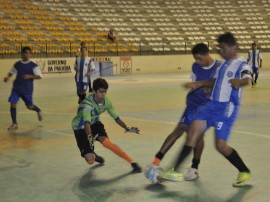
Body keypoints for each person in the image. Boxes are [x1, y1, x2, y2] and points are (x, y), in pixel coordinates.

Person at [159, 32, 252, 187]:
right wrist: (199, 84)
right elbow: (215, 81)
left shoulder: (242, 64)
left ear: (233, 47)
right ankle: (174, 170)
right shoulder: (223, 64)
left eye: (223, 48)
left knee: (220, 146)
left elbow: (247, 79)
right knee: (193, 132)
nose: (220, 51)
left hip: (226, 108)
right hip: (211, 105)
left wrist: (239, 82)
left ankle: (244, 171)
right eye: (219, 48)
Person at [146, 43, 221, 182]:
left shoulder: (219, 67)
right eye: (195, 59)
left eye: (199, 59)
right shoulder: (195, 66)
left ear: (206, 55)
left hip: (206, 108)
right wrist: (193, 87)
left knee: (196, 137)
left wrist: (202, 85)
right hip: (192, 105)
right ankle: (156, 161)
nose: (197, 62)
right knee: (179, 129)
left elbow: (218, 83)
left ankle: (193, 167)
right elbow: (195, 82)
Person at [71, 78, 142, 173]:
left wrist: (126, 127)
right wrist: (90, 136)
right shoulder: (87, 105)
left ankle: (133, 162)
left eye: (105, 92)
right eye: (101, 92)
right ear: (94, 91)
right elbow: (86, 123)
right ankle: (93, 155)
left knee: (108, 143)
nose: (103, 94)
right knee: (90, 160)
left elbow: (116, 117)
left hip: (95, 123)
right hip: (81, 128)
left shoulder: (106, 101)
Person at [3, 46, 43, 130]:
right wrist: (8, 77)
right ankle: (14, 123)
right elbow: (11, 72)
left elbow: (39, 76)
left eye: (29, 53)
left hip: (27, 89)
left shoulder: (33, 65)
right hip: (17, 88)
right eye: (26, 53)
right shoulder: (17, 64)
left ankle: (38, 110)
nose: (28, 55)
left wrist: (29, 76)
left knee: (30, 106)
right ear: (22, 54)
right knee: (13, 102)